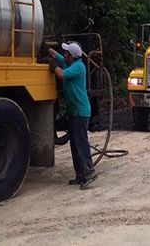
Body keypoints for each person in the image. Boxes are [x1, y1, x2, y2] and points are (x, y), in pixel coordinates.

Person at [49, 42, 97, 190]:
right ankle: (80, 175)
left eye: (66, 53)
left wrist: (53, 66)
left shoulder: (78, 67)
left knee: (81, 144)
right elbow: (56, 55)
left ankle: (89, 172)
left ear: (72, 56)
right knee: (75, 145)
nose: (64, 55)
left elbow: (61, 74)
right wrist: (46, 49)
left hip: (80, 112)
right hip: (74, 111)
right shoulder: (69, 62)